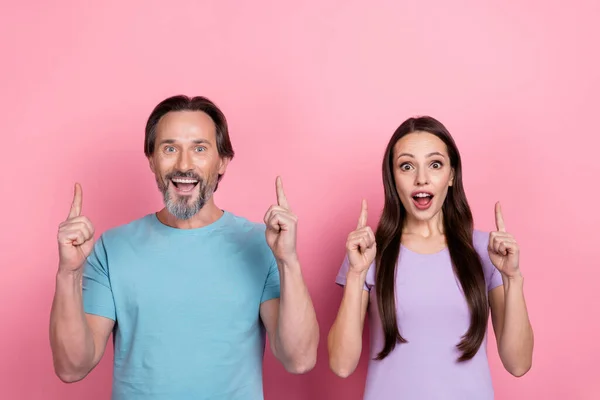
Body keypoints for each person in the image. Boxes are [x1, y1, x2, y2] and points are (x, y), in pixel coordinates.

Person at [50, 95, 319, 400]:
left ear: (222, 162)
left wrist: (288, 261)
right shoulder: (112, 248)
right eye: (169, 148)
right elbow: (72, 367)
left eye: (200, 149)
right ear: (151, 160)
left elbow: (299, 359)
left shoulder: (262, 244)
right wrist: (68, 273)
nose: (184, 164)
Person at [327, 116, 534, 399]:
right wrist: (355, 274)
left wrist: (513, 278)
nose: (421, 178)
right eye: (407, 166)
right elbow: (341, 364)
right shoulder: (369, 252)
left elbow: (518, 363)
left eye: (435, 164)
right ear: (392, 177)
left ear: (451, 175)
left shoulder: (487, 251)